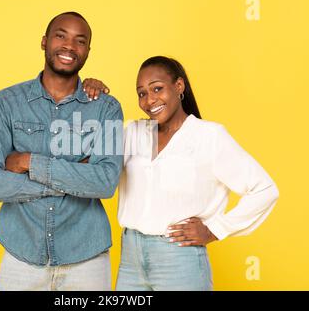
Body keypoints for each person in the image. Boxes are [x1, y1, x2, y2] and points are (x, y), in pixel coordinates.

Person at [0, 11, 123, 291]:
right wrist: (75, 177)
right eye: (60, 36)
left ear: (88, 51)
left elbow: (105, 182)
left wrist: (30, 162)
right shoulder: (5, 103)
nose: (69, 46)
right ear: (44, 42)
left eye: (80, 41)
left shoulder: (107, 108)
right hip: (21, 254)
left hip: (87, 256)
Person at [113, 56, 279, 290]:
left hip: (179, 260)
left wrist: (215, 229)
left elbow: (265, 189)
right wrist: (90, 92)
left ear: (179, 86)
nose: (149, 100)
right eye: (142, 93)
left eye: (157, 89)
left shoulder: (209, 136)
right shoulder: (134, 132)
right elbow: (91, 160)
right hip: (131, 258)